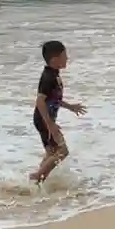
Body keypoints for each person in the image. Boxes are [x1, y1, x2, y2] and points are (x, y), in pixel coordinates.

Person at [29, 40, 86, 184]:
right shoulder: (48, 78)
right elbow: (40, 101)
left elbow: (53, 99)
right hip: (44, 120)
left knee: (51, 153)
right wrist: (50, 125)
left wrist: (70, 106)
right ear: (55, 60)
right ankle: (38, 175)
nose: (67, 58)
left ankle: (37, 182)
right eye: (64, 56)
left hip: (44, 119)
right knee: (62, 151)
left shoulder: (54, 74)